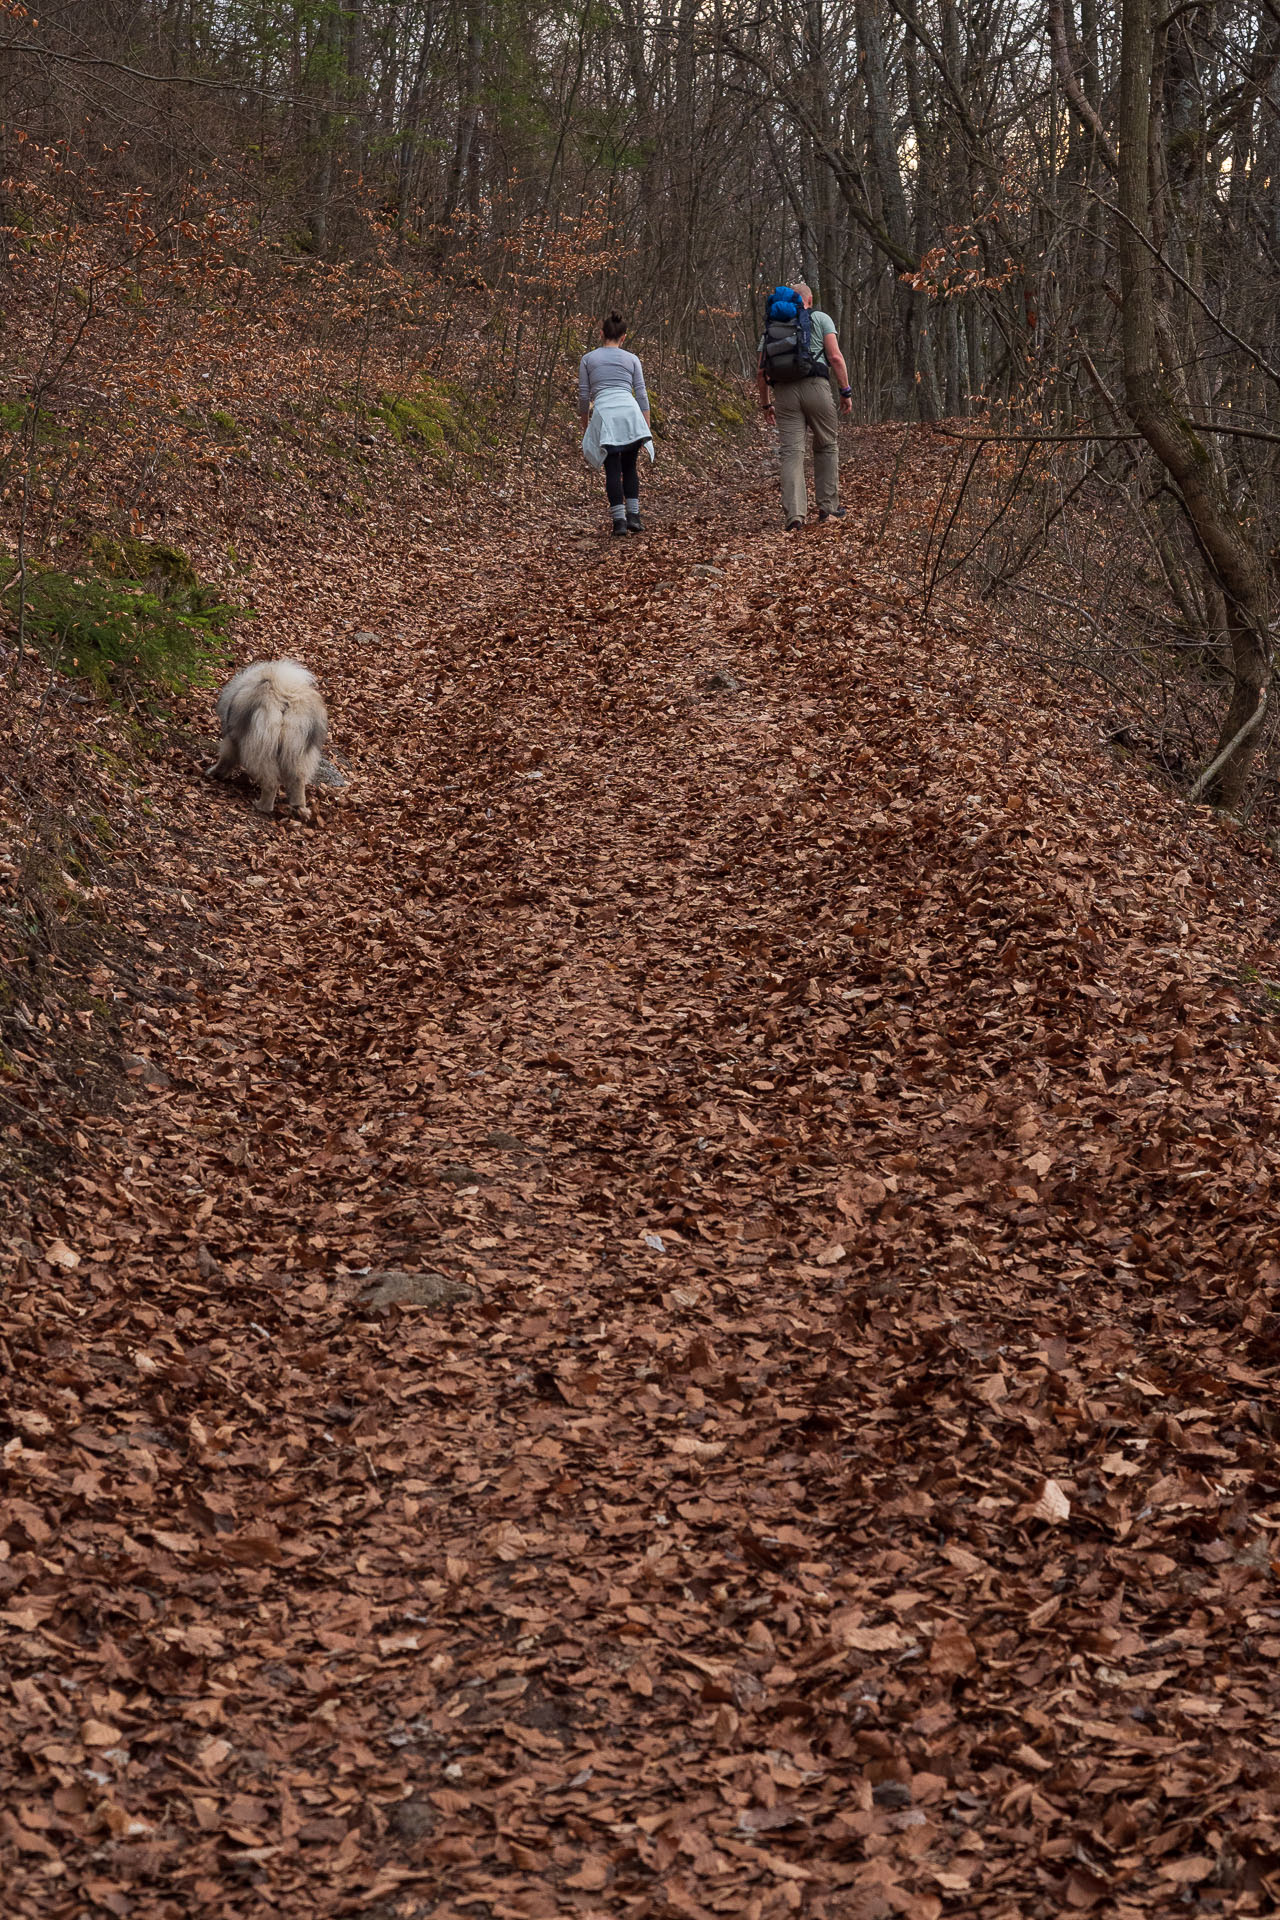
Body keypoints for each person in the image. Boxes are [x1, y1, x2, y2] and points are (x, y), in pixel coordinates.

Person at [757, 283, 853, 531]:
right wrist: (845, 390)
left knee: (792, 452)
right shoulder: (820, 318)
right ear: (809, 298)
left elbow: (761, 371)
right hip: (816, 386)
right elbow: (834, 357)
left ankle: (795, 517)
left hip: (784, 392)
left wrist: (766, 403)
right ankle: (828, 507)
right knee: (826, 444)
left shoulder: (772, 326)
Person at [579, 311, 653, 537]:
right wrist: (646, 427)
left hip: (605, 414)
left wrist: (586, 426)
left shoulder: (588, 359)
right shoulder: (632, 359)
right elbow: (641, 395)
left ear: (601, 334)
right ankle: (635, 517)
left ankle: (619, 521)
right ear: (623, 338)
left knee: (612, 468)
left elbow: (584, 396)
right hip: (630, 413)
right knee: (630, 466)